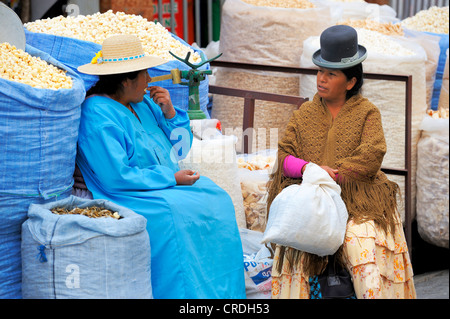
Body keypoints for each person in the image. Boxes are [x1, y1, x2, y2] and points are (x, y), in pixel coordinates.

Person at [74, 34, 246, 299]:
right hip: (130, 193)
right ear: (125, 80)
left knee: (217, 198)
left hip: (163, 185)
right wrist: (172, 178)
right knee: (177, 213)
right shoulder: (97, 114)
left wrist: (170, 113)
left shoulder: (144, 105)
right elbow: (115, 177)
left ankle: (224, 293)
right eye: (144, 74)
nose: (149, 80)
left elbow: (181, 149)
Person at [267, 25, 416, 299]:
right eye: (319, 71)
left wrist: (332, 177)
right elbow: (283, 156)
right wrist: (309, 170)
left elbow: (372, 154)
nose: (321, 79)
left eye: (331, 74)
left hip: (357, 201)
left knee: (360, 246)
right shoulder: (304, 115)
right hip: (311, 200)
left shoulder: (367, 113)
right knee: (299, 243)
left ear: (350, 82)